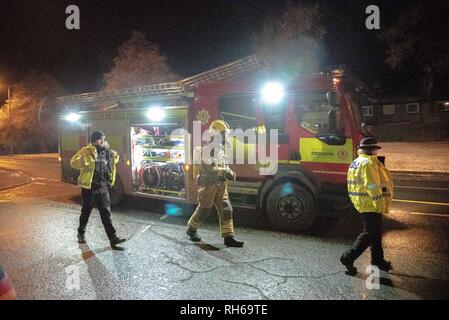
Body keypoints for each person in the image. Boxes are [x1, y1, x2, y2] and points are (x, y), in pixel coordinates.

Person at [340, 137, 393, 275]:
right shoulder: (369, 163)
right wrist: (380, 202)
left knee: (375, 233)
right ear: (372, 150)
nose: (376, 151)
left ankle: (378, 259)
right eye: (375, 148)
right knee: (369, 233)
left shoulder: (356, 162)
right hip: (371, 203)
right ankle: (348, 257)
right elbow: (372, 185)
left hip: (362, 202)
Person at [187, 120, 244, 247]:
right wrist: (225, 172)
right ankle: (191, 229)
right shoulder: (207, 150)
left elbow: (224, 165)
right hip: (209, 186)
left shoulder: (221, 150)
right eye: (223, 134)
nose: (226, 137)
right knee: (204, 210)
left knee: (227, 209)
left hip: (221, 187)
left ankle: (229, 237)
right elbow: (209, 170)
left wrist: (230, 171)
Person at [70, 131, 126, 250]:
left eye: (104, 138)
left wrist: (115, 156)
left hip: (103, 187)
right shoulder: (86, 151)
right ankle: (81, 233)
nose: (104, 140)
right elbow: (73, 163)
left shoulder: (106, 151)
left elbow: (113, 162)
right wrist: (88, 158)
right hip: (89, 188)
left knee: (106, 214)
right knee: (86, 212)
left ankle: (113, 239)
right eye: (102, 139)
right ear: (96, 140)